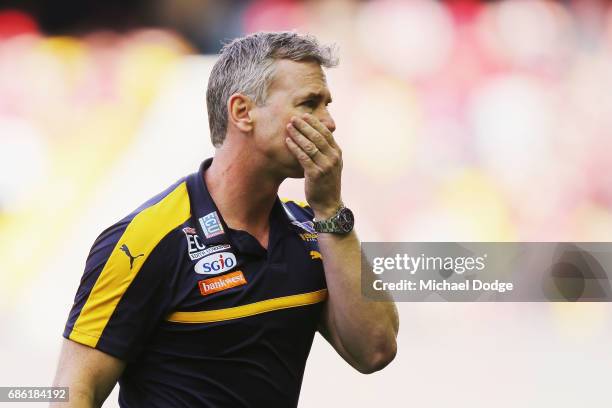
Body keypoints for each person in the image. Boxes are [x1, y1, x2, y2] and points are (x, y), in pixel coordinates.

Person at [52, 31, 399, 407]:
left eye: (327, 105)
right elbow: (72, 392)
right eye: (310, 104)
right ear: (242, 112)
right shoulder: (146, 240)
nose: (329, 123)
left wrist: (331, 212)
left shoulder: (312, 230)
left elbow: (375, 350)